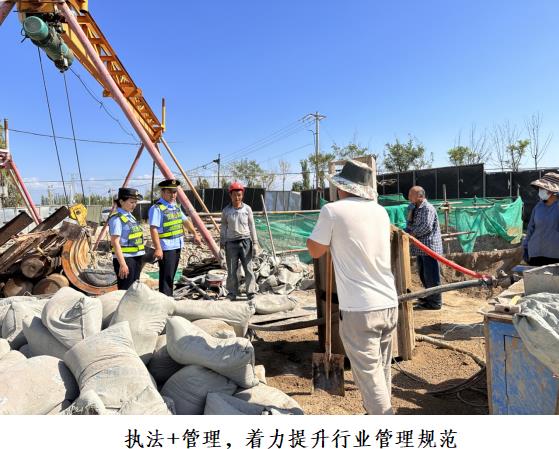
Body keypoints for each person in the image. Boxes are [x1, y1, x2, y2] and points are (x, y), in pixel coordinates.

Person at [306, 160, 398, 415]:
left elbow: (315, 250)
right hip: (389, 302)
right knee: (381, 368)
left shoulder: (332, 211)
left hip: (360, 309)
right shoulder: (380, 212)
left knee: (369, 375)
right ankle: (378, 413)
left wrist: (319, 237)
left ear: (341, 187)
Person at [148, 179, 201, 296]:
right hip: (166, 248)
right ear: (163, 192)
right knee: (166, 276)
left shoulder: (175, 207)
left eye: (175, 192)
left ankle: (168, 297)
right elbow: (153, 229)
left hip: (177, 245)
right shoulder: (157, 208)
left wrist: (195, 233)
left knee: (171, 275)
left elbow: (185, 221)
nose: (173, 195)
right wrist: (158, 248)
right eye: (170, 192)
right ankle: (165, 299)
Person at [405, 186, 444, 310]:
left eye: (411, 194)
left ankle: (435, 302)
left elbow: (426, 227)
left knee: (431, 276)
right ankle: (429, 297)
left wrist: (411, 234)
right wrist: (405, 230)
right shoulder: (414, 208)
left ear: (420, 196)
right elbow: (410, 224)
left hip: (429, 248)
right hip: (420, 248)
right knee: (423, 275)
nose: (409, 197)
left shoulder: (428, 208)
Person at [220, 181, 260, 301]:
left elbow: (252, 226)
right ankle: (232, 293)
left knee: (248, 269)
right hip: (231, 243)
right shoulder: (226, 211)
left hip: (245, 242)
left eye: (239, 195)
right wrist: (221, 246)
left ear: (242, 195)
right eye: (234, 195)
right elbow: (223, 228)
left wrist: (255, 243)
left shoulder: (247, 209)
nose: (237, 198)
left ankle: (251, 292)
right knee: (232, 270)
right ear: (230, 195)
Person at [109, 187, 145, 290]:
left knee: (134, 289)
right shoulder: (116, 218)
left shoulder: (130, 216)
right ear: (121, 201)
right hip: (126, 259)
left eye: (135, 202)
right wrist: (122, 264)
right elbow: (115, 242)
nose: (134, 205)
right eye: (131, 202)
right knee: (126, 290)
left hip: (136, 257)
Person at [523, 172, 559, 266]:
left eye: (543, 188)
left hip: (555, 256)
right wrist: (525, 246)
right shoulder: (538, 207)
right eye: (540, 188)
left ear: (552, 191)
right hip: (536, 253)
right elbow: (531, 229)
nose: (540, 190)